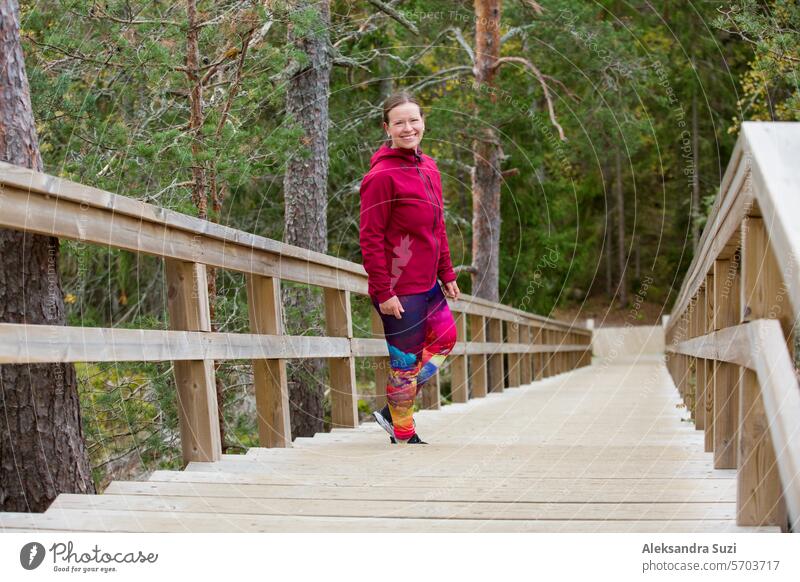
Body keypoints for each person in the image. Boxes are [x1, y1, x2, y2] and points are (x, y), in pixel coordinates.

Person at [359, 91, 460, 445]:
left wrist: (446, 272)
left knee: (446, 339)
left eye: (413, 120)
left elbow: (438, 225)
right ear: (387, 128)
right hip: (399, 289)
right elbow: (370, 238)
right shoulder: (381, 177)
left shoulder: (428, 166)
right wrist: (383, 292)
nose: (408, 127)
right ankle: (403, 432)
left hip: (427, 283)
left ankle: (393, 408)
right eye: (399, 122)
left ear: (422, 123)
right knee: (405, 364)